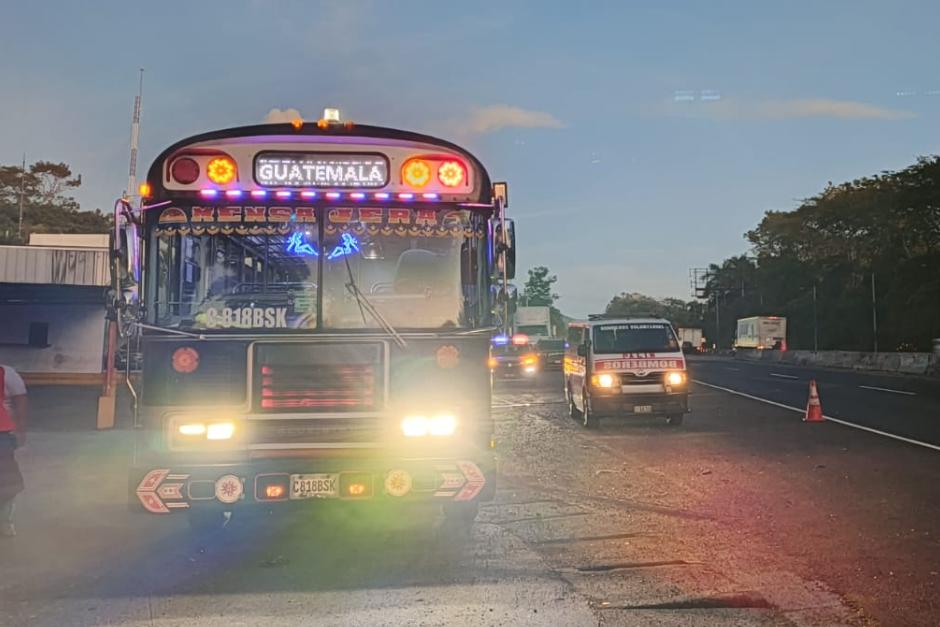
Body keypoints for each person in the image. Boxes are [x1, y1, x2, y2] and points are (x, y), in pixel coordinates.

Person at [0, 364, 27, 537]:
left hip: (1, 434)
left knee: (7, 481)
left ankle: (4, 522)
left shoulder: (6, 373)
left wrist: (21, 429)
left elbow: (20, 401)